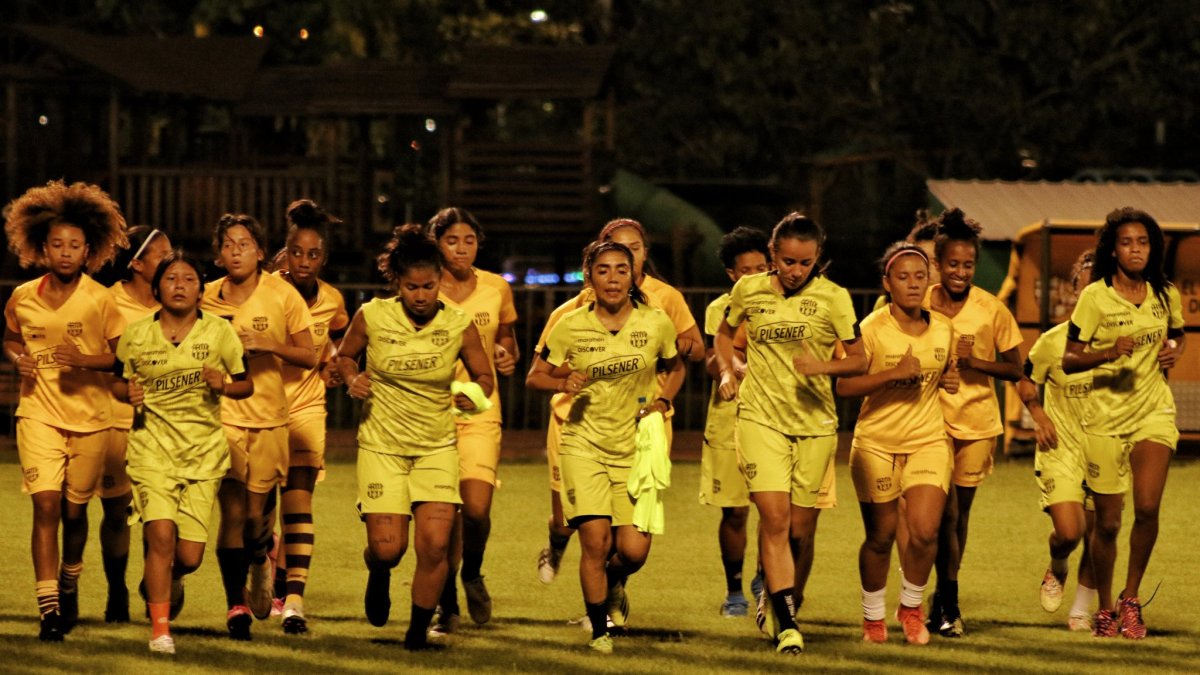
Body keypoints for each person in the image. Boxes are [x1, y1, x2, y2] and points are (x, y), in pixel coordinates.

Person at [714, 212, 867, 654]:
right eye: (787, 261)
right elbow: (724, 335)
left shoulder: (834, 298)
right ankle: (787, 625)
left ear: (818, 257)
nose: (796, 271)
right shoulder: (749, 290)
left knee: (799, 529)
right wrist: (730, 368)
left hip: (815, 425)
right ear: (772, 256)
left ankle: (779, 598)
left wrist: (823, 366)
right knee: (775, 520)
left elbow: (858, 360)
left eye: (805, 263)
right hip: (760, 419)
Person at [337, 224, 494, 650]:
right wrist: (352, 378)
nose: (421, 295)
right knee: (390, 549)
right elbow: (344, 357)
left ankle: (415, 634)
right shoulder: (371, 315)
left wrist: (474, 393)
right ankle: (378, 569)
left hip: (437, 448)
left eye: (429, 286)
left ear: (441, 280)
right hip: (382, 448)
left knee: (436, 545)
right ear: (397, 284)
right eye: (412, 287)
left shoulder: (459, 324)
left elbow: (484, 376)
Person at [526, 240, 685, 654]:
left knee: (633, 551)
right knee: (595, 541)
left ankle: (613, 585)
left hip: (633, 448)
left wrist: (664, 399)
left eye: (621, 269)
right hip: (584, 444)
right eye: (603, 270)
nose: (612, 278)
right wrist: (562, 381)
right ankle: (599, 629)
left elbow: (675, 366)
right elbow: (535, 376)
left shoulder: (655, 322)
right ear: (589, 276)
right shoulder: (570, 324)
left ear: (634, 275)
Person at [536, 218, 703, 586]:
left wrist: (679, 349)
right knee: (570, 522)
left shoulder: (665, 301)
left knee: (626, 536)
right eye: (615, 251)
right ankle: (557, 541)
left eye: (635, 249)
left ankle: (610, 601)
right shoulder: (574, 310)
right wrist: (570, 376)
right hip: (575, 424)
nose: (624, 261)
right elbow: (541, 369)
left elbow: (693, 350)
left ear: (643, 254)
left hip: (639, 423)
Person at [3, 180, 128, 641]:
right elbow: (12, 339)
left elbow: (120, 357)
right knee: (47, 507)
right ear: (41, 246)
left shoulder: (101, 299)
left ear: (88, 249)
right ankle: (49, 608)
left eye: (75, 245)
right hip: (38, 415)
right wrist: (20, 360)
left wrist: (84, 360)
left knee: (76, 514)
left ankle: (71, 579)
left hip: (92, 419)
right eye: (57, 244)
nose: (65, 252)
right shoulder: (22, 297)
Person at [113, 253, 253, 654]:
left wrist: (223, 385)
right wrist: (129, 393)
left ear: (200, 288)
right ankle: (160, 630)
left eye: (188, 279)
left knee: (188, 557)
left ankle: (165, 578)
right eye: (170, 278)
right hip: (150, 450)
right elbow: (117, 384)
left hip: (203, 454)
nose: (179, 285)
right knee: (159, 534)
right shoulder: (137, 334)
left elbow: (247, 386)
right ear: (157, 288)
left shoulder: (220, 334)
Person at [1062, 208, 1185, 639]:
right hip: (1106, 420)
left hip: (1153, 412)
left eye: (1143, 242)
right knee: (1109, 524)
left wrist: (1173, 350)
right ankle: (1105, 608)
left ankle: (1131, 600)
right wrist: (1107, 352)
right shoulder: (1095, 297)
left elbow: (1177, 334)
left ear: (1153, 248)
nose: (1136, 249)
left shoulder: (1164, 293)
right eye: (1128, 242)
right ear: (1113, 250)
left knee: (1148, 507)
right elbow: (1070, 357)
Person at [200, 213, 317, 639]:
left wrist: (270, 345)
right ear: (218, 254)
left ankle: (259, 559)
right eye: (228, 244)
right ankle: (235, 606)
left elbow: (310, 356)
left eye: (244, 243)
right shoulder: (206, 297)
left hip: (268, 418)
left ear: (261, 252)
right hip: (221, 417)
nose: (236, 251)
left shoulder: (282, 295)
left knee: (254, 519)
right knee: (231, 512)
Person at [836, 242, 957, 645]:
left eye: (919, 276)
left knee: (924, 531)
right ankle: (872, 618)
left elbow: (942, 370)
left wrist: (948, 378)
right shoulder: (870, 328)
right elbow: (846, 384)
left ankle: (910, 608)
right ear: (886, 282)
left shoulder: (943, 327)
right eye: (902, 277)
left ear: (930, 280)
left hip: (928, 440)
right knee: (881, 536)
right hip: (876, 443)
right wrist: (891, 376)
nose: (912, 284)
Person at [925, 208, 1022, 637]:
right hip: (927, 421)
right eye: (952, 264)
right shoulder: (921, 301)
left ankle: (943, 599)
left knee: (958, 517)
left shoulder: (991, 309)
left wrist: (975, 362)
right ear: (938, 263)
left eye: (968, 265)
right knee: (939, 518)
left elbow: (1017, 369)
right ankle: (946, 600)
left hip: (977, 422)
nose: (960, 272)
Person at [424, 207, 519, 634]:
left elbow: (507, 341)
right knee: (442, 517)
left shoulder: (496, 288)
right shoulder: (424, 288)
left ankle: (473, 572)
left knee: (476, 509)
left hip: (481, 410)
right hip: (430, 413)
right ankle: (447, 607)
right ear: (436, 245)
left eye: (469, 241)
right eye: (451, 241)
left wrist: (505, 354)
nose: (461, 248)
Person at [270, 199, 350, 634]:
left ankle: (294, 600)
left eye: (313, 254)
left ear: (324, 257)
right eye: (297, 252)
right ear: (285, 252)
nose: (304, 261)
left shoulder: (332, 300)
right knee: (256, 514)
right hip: (257, 411)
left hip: (305, 407)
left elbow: (338, 340)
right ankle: (269, 562)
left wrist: (333, 364)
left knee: (298, 500)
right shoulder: (264, 291)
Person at [1016, 249, 1098, 631]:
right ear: (1073, 289)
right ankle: (1058, 564)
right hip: (1060, 449)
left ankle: (1081, 610)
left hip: (1105, 448)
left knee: (1099, 534)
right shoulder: (1052, 342)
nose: (1091, 293)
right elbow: (1024, 379)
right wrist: (1038, 413)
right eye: (1085, 285)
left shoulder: (1122, 341)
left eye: (1100, 285)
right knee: (1070, 531)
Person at [95, 225, 172, 623]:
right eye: (162, 254)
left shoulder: (177, 300)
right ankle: (116, 590)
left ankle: (156, 589)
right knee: (116, 513)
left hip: (165, 428)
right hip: (117, 422)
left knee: (160, 514)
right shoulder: (109, 303)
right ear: (137, 263)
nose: (171, 260)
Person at [700, 226, 770, 617]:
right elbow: (713, 361)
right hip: (729, 421)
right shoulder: (720, 310)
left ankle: (766, 576)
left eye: (762, 267)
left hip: (776, 418)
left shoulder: (785, 306)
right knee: (736, 511)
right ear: (732, 275)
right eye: (747, 271)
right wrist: (730, 364)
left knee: (775, 509)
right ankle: (735, 591)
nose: (756, 277)